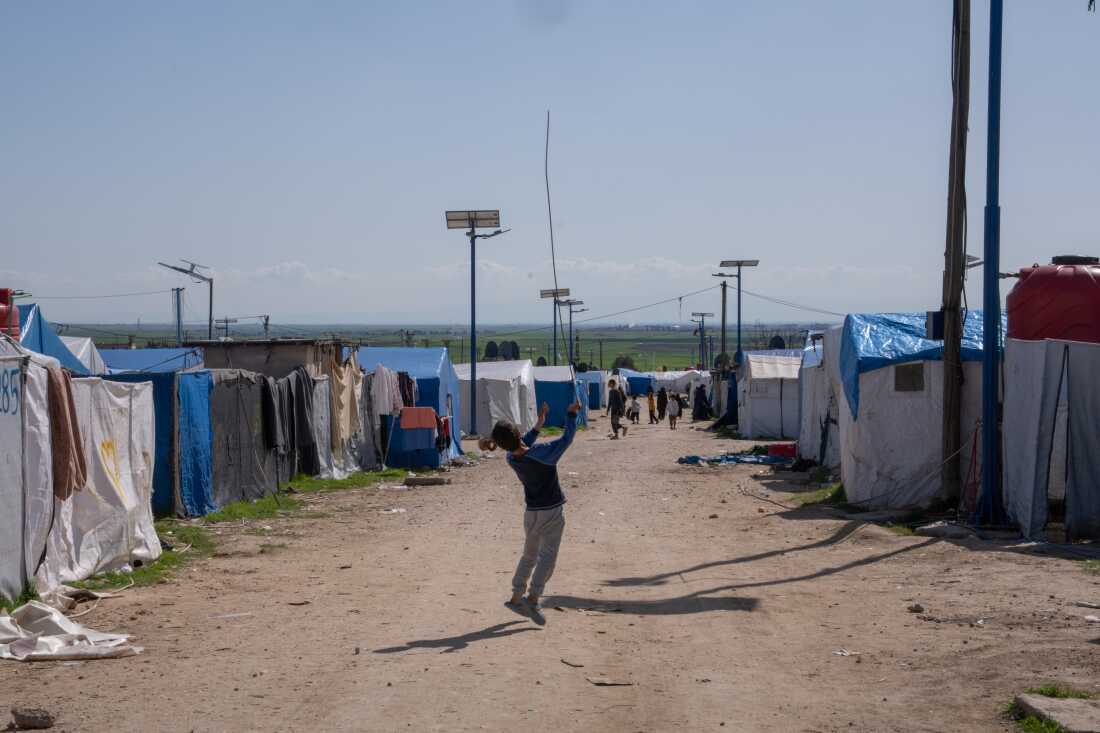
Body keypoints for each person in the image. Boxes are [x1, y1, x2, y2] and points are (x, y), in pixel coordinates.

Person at [492, 399, 580, 615]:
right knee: (548, 555)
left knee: (529, 555)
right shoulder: (543, 454)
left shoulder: (510, 458)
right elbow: (566, 439)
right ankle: (533, 596)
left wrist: (539, 424)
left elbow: (520, 445)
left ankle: (515, 595)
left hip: (531, 513)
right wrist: (571, 415)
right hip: (551, 511)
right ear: (517, 434)